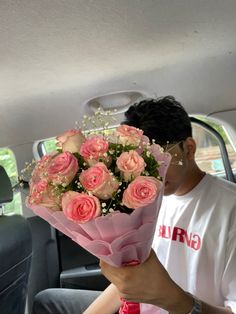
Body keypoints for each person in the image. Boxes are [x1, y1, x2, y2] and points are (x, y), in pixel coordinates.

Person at [33, 96, 236, 314]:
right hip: (137, 307)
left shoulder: (229, 210)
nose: (153, 172)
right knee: (48, 299)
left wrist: (175, 299)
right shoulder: (146, 197)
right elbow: (134, 280)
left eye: (161, 159)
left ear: (188, 148)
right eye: (144, 161)